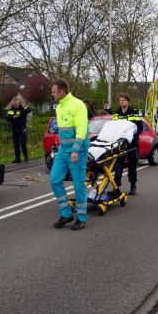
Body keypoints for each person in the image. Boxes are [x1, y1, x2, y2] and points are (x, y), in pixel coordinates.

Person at [50, 79, 90, 230]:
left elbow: (82, 129)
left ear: (61, 91)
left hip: (77, 151)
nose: (52, 94)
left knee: (78, 184)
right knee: (54, 179)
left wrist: (75, 149)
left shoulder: (78, 105)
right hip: (63, 151)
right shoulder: (59, 107)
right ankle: (66, 214)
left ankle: (81, 218)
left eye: (54, 92)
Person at [112, 93, 143, 195]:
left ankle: (133, 185)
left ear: (128, 101)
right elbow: (114, 127)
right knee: (118, 164)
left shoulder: (133, 112)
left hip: (132, 144)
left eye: (124, 100)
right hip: (120, 143)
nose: (122, 102)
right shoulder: (117, 113)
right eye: (120, 100)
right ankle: (116, 186)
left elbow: (140, 128)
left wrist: (131, 136)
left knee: (132, 165)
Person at [6, 97, 31, 163]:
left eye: (16, 103)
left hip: (22, 129)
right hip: (15, 129)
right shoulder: (11, 110)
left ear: (19, 102)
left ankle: (26, 157)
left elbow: (29, 109)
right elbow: (8, 117)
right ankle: (17, 159)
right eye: (14, 103)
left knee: (23, 143)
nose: (15, 105)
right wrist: (12, 117)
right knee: (16, 144)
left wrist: (19, 114)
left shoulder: (23, 108)